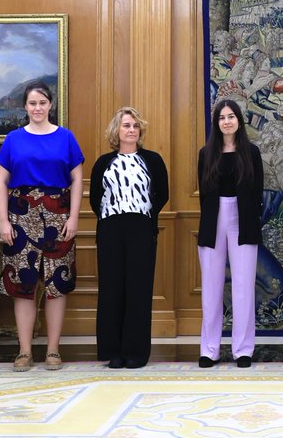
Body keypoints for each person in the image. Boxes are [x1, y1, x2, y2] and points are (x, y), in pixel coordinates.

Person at [0, 82, 84, 372]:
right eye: (32, 103)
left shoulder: (66, 137)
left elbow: (78, 180)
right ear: (25, 106)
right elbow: (0, 183)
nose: (37, 108)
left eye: (42, 103)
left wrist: (73, 217)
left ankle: (53, 350)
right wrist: (3, 221)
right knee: (23, 285)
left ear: (50, 105)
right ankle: (24, 351)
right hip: (20, 215)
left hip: (58, 214)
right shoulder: (13, 139)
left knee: (56, 285)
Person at [90, 106, 169, 369]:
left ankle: (135, 352)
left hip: (141, 228)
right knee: (112, 289)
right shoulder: (104, 162)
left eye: (135, 126)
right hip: (111, 228)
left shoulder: (153, 160)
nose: (131, 130)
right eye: (126, 125)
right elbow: (94, 199)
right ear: (117, 130)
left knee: (138, 289)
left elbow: (162, 194)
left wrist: (143, 216)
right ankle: (113, 351)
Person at [195, 99, 262, 368]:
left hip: (243, 220)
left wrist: (248, 217)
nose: (227, 121)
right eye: (222, 117)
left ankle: (243, 349)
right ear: (216, 123)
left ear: (239, 121)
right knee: (211, 288)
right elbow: (203, 192)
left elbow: (257, 192)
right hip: (213, 220)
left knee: (244, 286)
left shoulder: (252, 152)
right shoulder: (206, 154)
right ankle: (209, 349)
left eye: (231, 116)